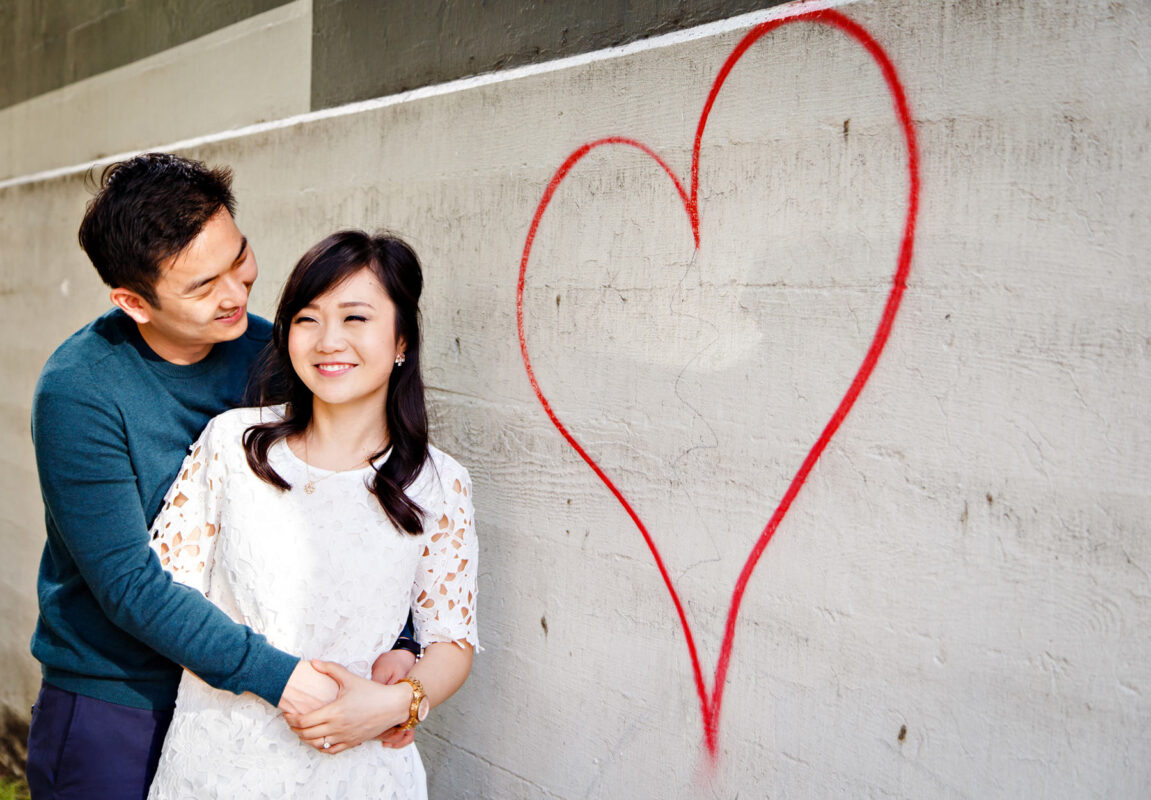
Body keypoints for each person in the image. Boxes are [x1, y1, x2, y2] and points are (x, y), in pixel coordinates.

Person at [27, 154, 420, 799]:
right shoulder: (80, 390)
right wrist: (283, 680)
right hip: (121, 700)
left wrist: (399, 647)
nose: (236, 293)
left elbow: (362, 503)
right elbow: (128, 585)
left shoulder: (277, 358)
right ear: (134, 302)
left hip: (244, 708)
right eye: (202, 286)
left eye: (239, 259)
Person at [144, 230, 478, 798]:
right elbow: (165, 596)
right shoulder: (231, 445)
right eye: (307, 318)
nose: (329, 341)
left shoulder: (440, 482)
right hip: (220, 762)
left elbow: (451, 640)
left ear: (401, 340)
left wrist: (400, 701)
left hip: (360, 766)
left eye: (355, 318)